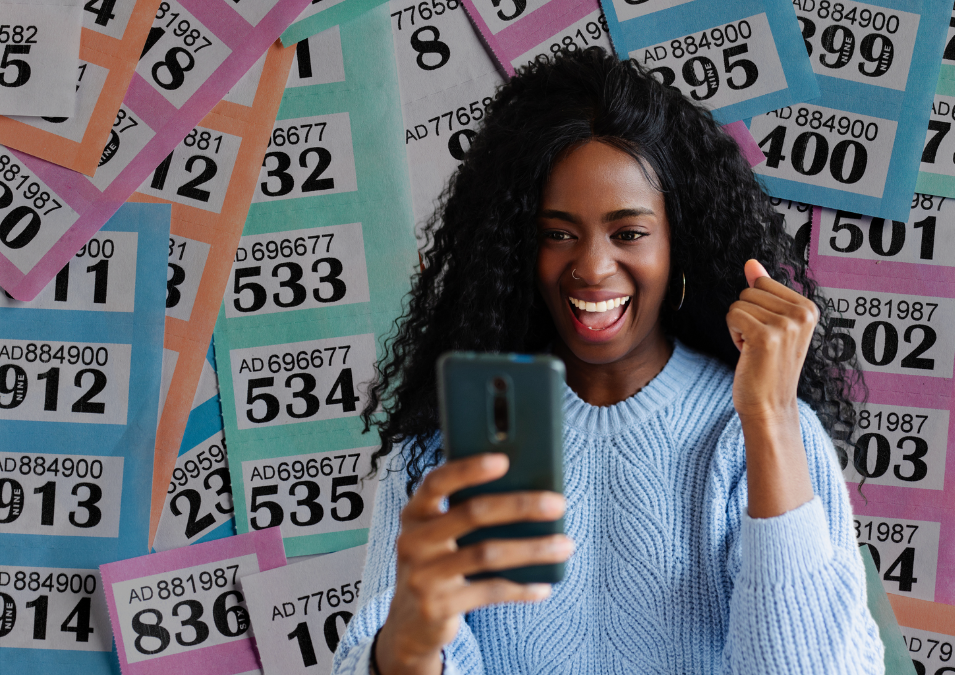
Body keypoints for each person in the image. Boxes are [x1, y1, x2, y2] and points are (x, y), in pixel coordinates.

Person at [333, 47, 885, 675]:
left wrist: (770, 418)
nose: (593, 267)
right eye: (558, 233)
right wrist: (407, 641)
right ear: (517, 245)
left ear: (682, 241)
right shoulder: (447, 442)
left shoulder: (762, 433)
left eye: (628, 233)